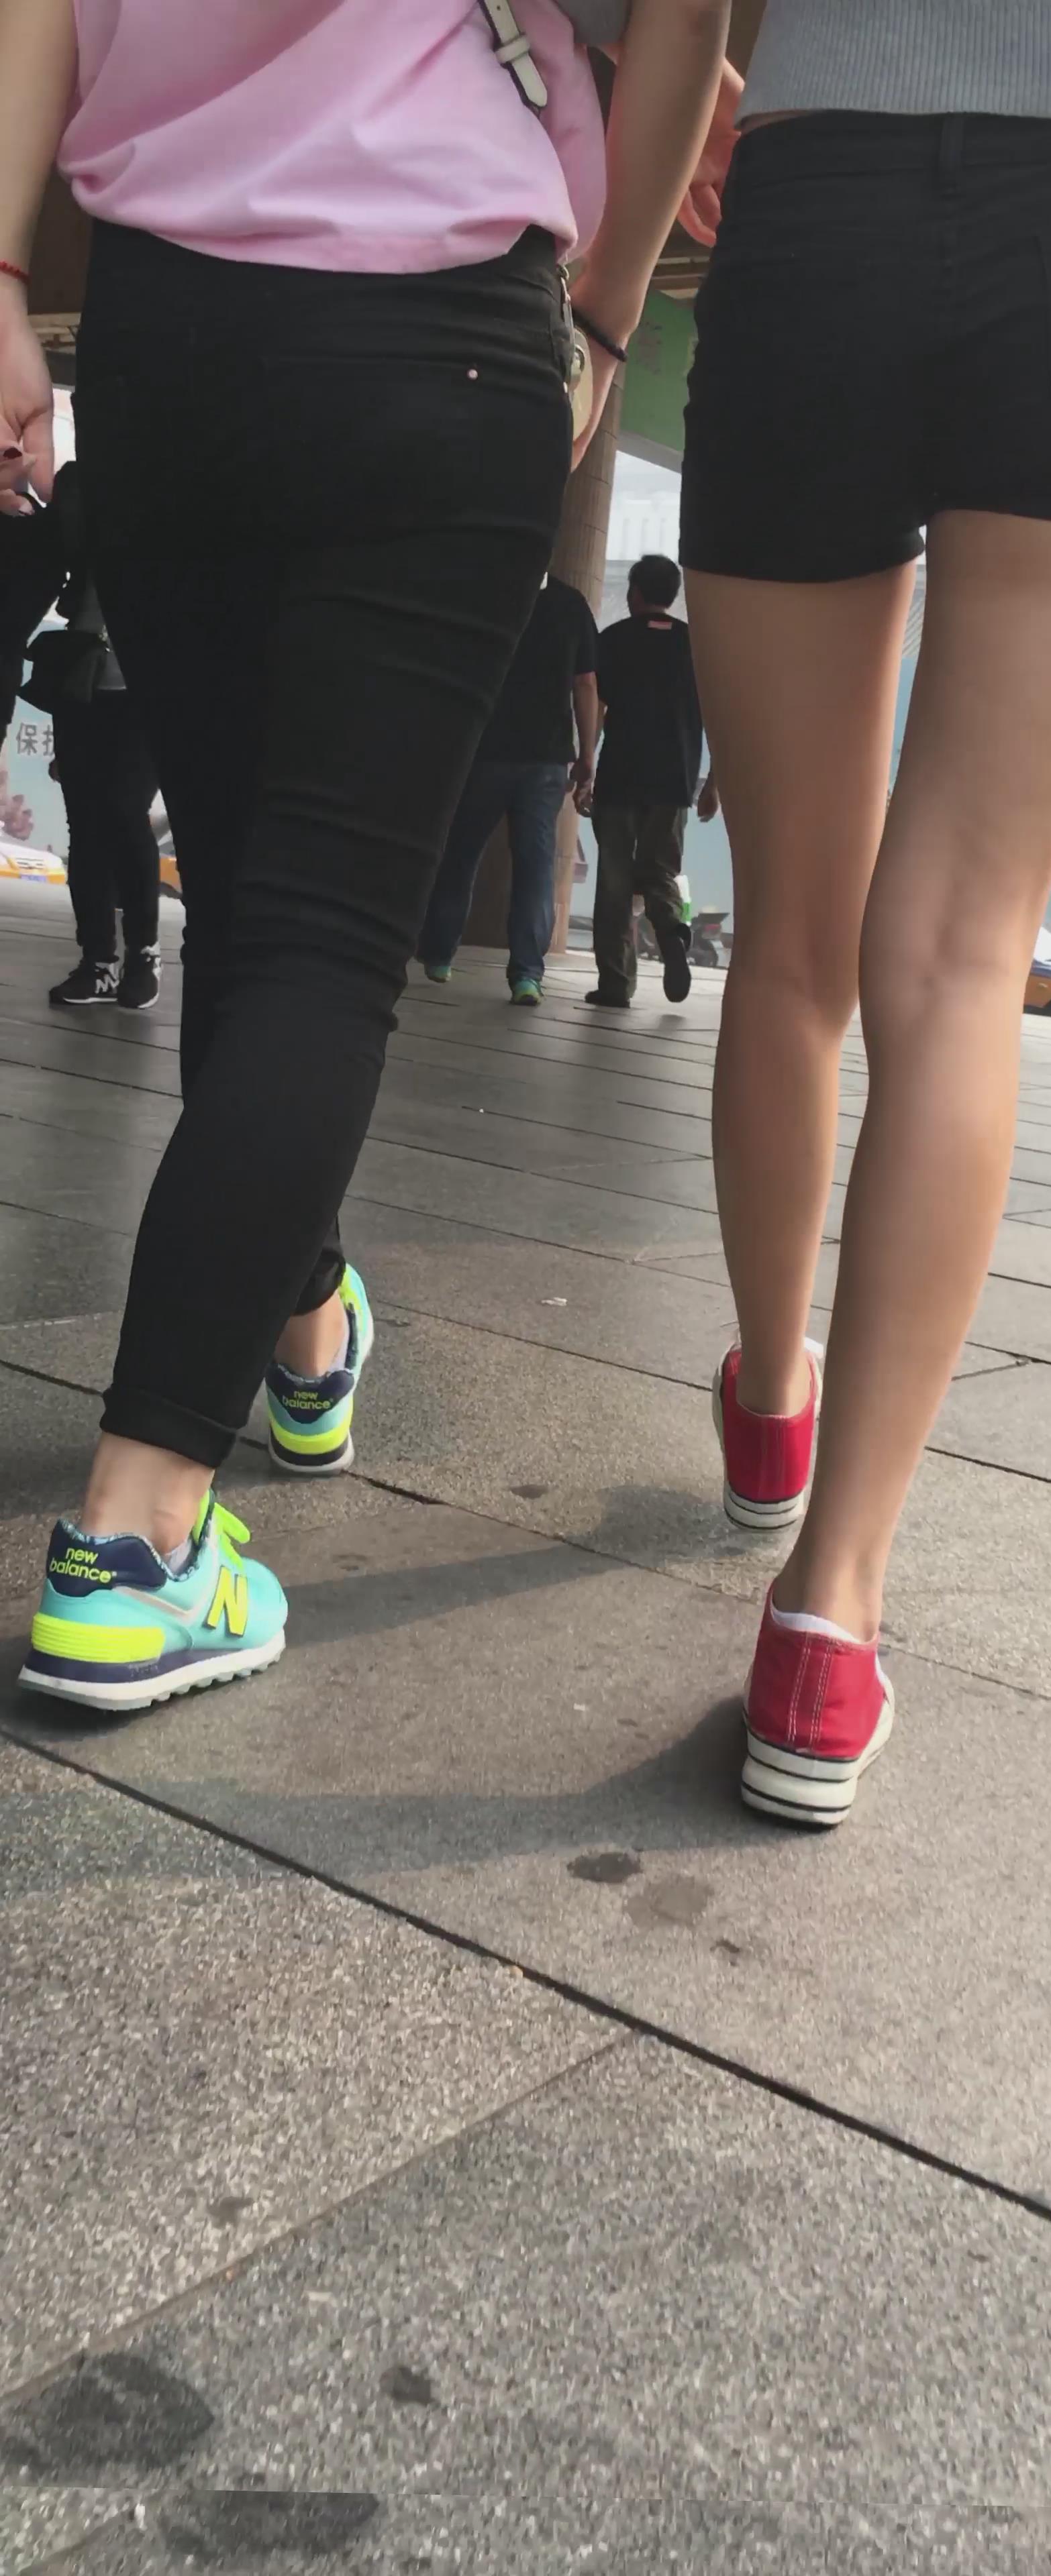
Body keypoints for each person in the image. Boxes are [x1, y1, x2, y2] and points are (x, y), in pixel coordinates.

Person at [1, 0, 729, 1712]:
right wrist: (606, 312)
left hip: (168, 325)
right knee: (319, 942)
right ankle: (137, 1540)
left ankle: (308, 1321)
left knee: (251, 906)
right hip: (442, 318)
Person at [679, 4, 1051, 1823]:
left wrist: (606, 288)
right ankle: (825, 1618)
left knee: (790, 941)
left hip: (815, 197)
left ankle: (770, 1401)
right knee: (963, 955)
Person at [417, 571, 599, 1002]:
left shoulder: (483, 589)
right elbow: (586, 683)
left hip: (484, 752)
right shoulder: (571, 605)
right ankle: (527, 975)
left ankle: (439, 954)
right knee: (536, 868)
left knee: (461, 854)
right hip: (545, 759)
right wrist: (588, 755)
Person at [26, 466, 162, 1010]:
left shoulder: (174, 501)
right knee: (84, 824)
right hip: (82, 682)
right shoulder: (88, 490)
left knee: (126, 812)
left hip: (147, 691)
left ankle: (144, 952)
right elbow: (63, 526)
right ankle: (98, 961)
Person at [587, 553, 703, 1009]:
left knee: (615, 880)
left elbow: (595, 705)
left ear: (634, 591)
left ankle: (616, 984)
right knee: (660, 871)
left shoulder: (613, 640)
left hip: (621, 775)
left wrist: (585, 764)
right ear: (672, 595)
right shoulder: (696, 645)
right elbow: (719, 714)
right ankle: (671, 930)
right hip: (674, 779)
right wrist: (714, 783)